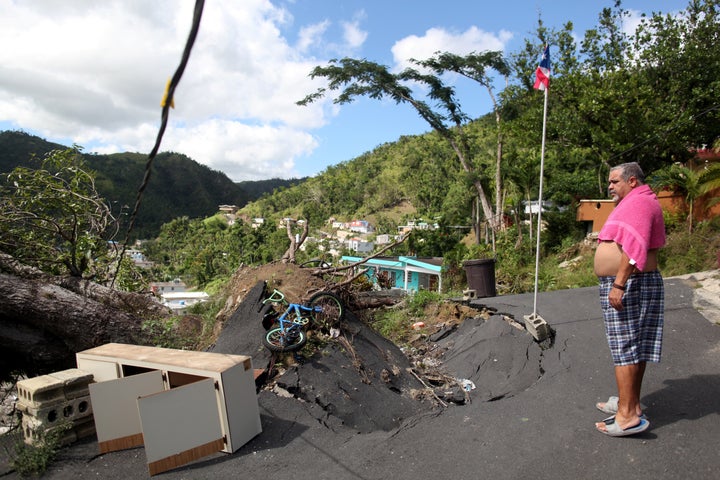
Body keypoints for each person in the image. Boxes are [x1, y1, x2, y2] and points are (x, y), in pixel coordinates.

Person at [592, 162, 666, 437]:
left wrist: (619, 284)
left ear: (632, 181)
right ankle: (628, 404)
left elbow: (634, 247)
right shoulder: (638, 201)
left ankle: (626, 416)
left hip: (630, 283)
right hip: (634, 282)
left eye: (614, 181)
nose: (609, 186)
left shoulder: (639, 203)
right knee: (633, 347)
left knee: (625, 348)